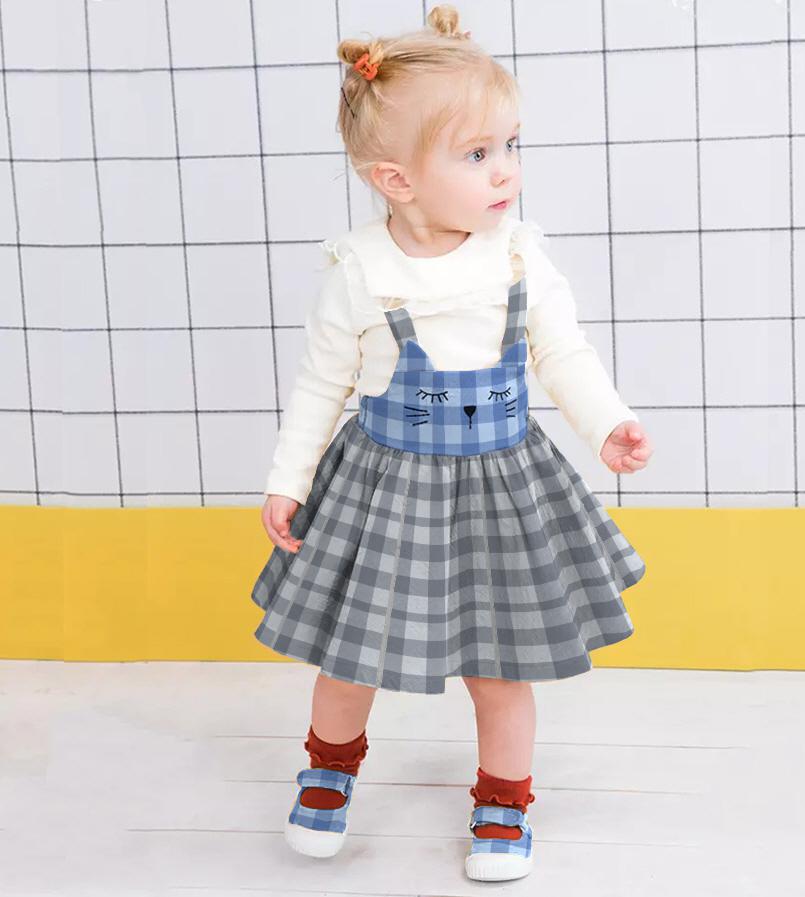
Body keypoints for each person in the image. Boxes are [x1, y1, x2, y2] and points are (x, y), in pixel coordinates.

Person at [250, 4, 653, 882]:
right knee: (351, 651)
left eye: (510, 145)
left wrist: (608, 422)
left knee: (501, 663)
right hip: (383, 489)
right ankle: (329, 766)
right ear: (395, 179)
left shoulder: (518, 258)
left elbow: (563, 353)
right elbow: (320, 385)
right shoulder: (360, 271)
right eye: (476, 154)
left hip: (503, 486)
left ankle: (504, 798)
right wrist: (289, 479)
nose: (505, 170)